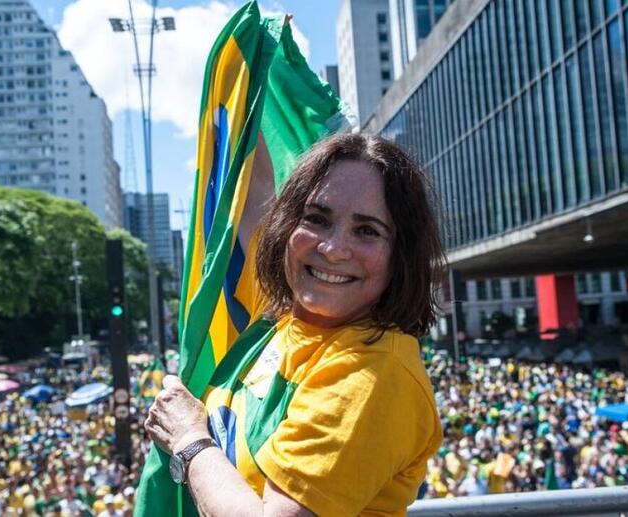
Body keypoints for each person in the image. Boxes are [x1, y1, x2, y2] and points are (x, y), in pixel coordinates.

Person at [144, 133, 446, 516]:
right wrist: (243, 79)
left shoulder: (374, 374)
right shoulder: (278, 322)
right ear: (286, 227)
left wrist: (189, 440)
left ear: (400, 254)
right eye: (317, 219)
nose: (333, 249)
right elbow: (253, 186)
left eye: (367, 230)